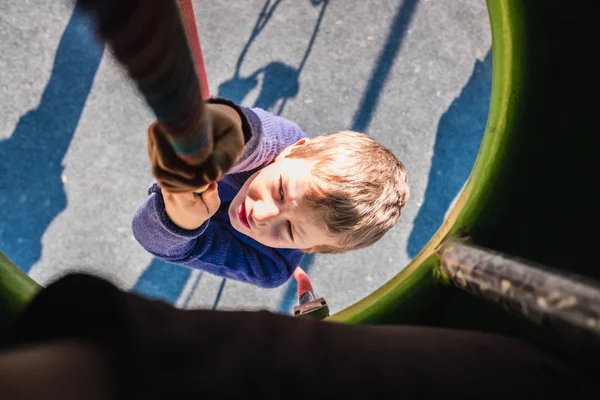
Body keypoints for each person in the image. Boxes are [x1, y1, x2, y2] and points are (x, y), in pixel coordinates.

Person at [132, 97, 409, 288]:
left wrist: (178, 221)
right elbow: (257, 136)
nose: (262, 215)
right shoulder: (283, 143)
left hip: (196, 228)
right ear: (294, 151)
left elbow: (156, 241)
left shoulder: (269, 266)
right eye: (279, 191)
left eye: (288, 229)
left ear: (307, 249)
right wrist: (229, 130)